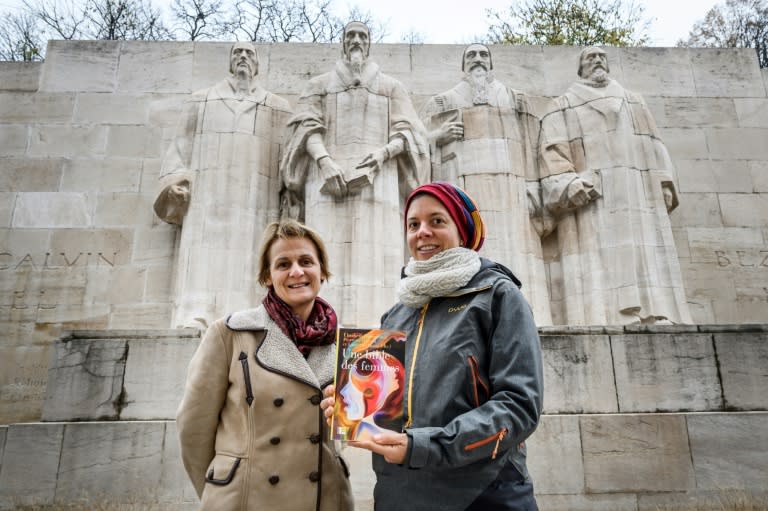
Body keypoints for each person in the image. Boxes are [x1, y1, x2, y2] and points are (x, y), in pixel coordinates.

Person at [323, 182, 543, 511]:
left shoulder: (497, 296)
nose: (422, 232)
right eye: (414, 224)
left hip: (482, 494)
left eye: (437, 221)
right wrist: (351, 410)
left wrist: (425, 445)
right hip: (400, 495)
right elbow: (388, 410)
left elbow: (519, 405)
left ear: (461, 230)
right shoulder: (397, 312)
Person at [176, 220, 353, 510]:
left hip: (325, 498)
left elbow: (348, 432)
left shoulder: (347, 345)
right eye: (284, 264)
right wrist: (221, 489)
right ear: (267, 276)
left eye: (306, 261)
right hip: (247, 499)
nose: (297, 271)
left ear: (322, 271)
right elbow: (193, 428)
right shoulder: (229, 333)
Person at [280, 20, 429, 327]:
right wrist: (324, 162)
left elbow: (410, 132)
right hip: (325, 182)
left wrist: (382, 155)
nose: (356, 40)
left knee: (380, 260)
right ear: (343, 43)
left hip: (381, 182)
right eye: (351, 35)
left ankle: (384, 330)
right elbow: (305, 126)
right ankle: (318, 328)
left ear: (370, 43)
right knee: (322, 254)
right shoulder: (320, 85)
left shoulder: (390, 86)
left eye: (362, 35)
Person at [539, 46, 692, 325]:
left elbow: (653, 144)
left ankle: (656, 313)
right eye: (590, 57)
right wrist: (570, 184)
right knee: (598, 256)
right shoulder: (563, 104)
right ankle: (609, 316)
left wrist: (664, 182)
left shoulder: (634, 101)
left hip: (637, 190)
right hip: (594, 197)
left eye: (601, 56)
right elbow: (552, 152)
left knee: (645, 250)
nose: (597, 60)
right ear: (580, 67)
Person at [154, 42, 292, 329]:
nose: (243, 57)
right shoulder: (201, 101)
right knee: (203, 255)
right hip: (208, 198)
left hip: (256, 201)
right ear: (230, 62)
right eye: (237, 53)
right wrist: (175, 183)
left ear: (257, 65)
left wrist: (289, 199)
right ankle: (196, 314)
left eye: (249, 54)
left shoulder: (277, 107)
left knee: (253, 256)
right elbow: (179, 149)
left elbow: (286, 161)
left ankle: (251, 316)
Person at [420, 43, 552, 325]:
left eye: (483, 55)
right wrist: (437, 137)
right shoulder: (443, 102)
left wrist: (533, 186)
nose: (478, 60)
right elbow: (419, 149)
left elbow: (532, 146)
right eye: (471, 55)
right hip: (462, 194)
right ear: (463, 65)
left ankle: (525, 315)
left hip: (510, 192)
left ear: (491, 63)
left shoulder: (515, 99)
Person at [333, 330, 406, 441]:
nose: (343, 392)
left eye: (368, 389)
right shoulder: (347, 430)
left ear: (395, 383)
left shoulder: (391, 437)